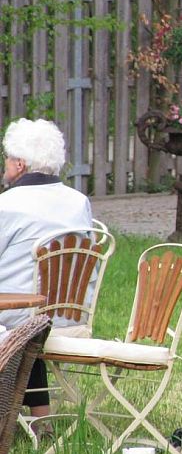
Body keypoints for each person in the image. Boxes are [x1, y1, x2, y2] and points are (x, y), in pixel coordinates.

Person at [0, 118, 93, 425]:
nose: (5, 167)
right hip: (69, 316)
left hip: (18, 319)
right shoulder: (79, 202)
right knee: (34, 320)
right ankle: (42, 420)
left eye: (7, 160)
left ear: (20, 164)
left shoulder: (8, 205)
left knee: (24, 321)